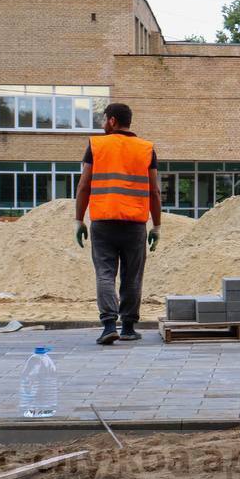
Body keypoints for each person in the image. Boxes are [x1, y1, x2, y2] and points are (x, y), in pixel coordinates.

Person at [74, 102, 162, 345]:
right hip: (134, 225)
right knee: (132, 276)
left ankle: (109, 325)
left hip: (103, 223)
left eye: (104, 119)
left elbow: (84, 185)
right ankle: (129, 328)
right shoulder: (146, 148)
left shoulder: (97, 145)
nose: (103, 124)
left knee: (105, 274)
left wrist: (78, 220)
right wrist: (156, 225)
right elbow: (154, 190)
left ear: (112, 120)